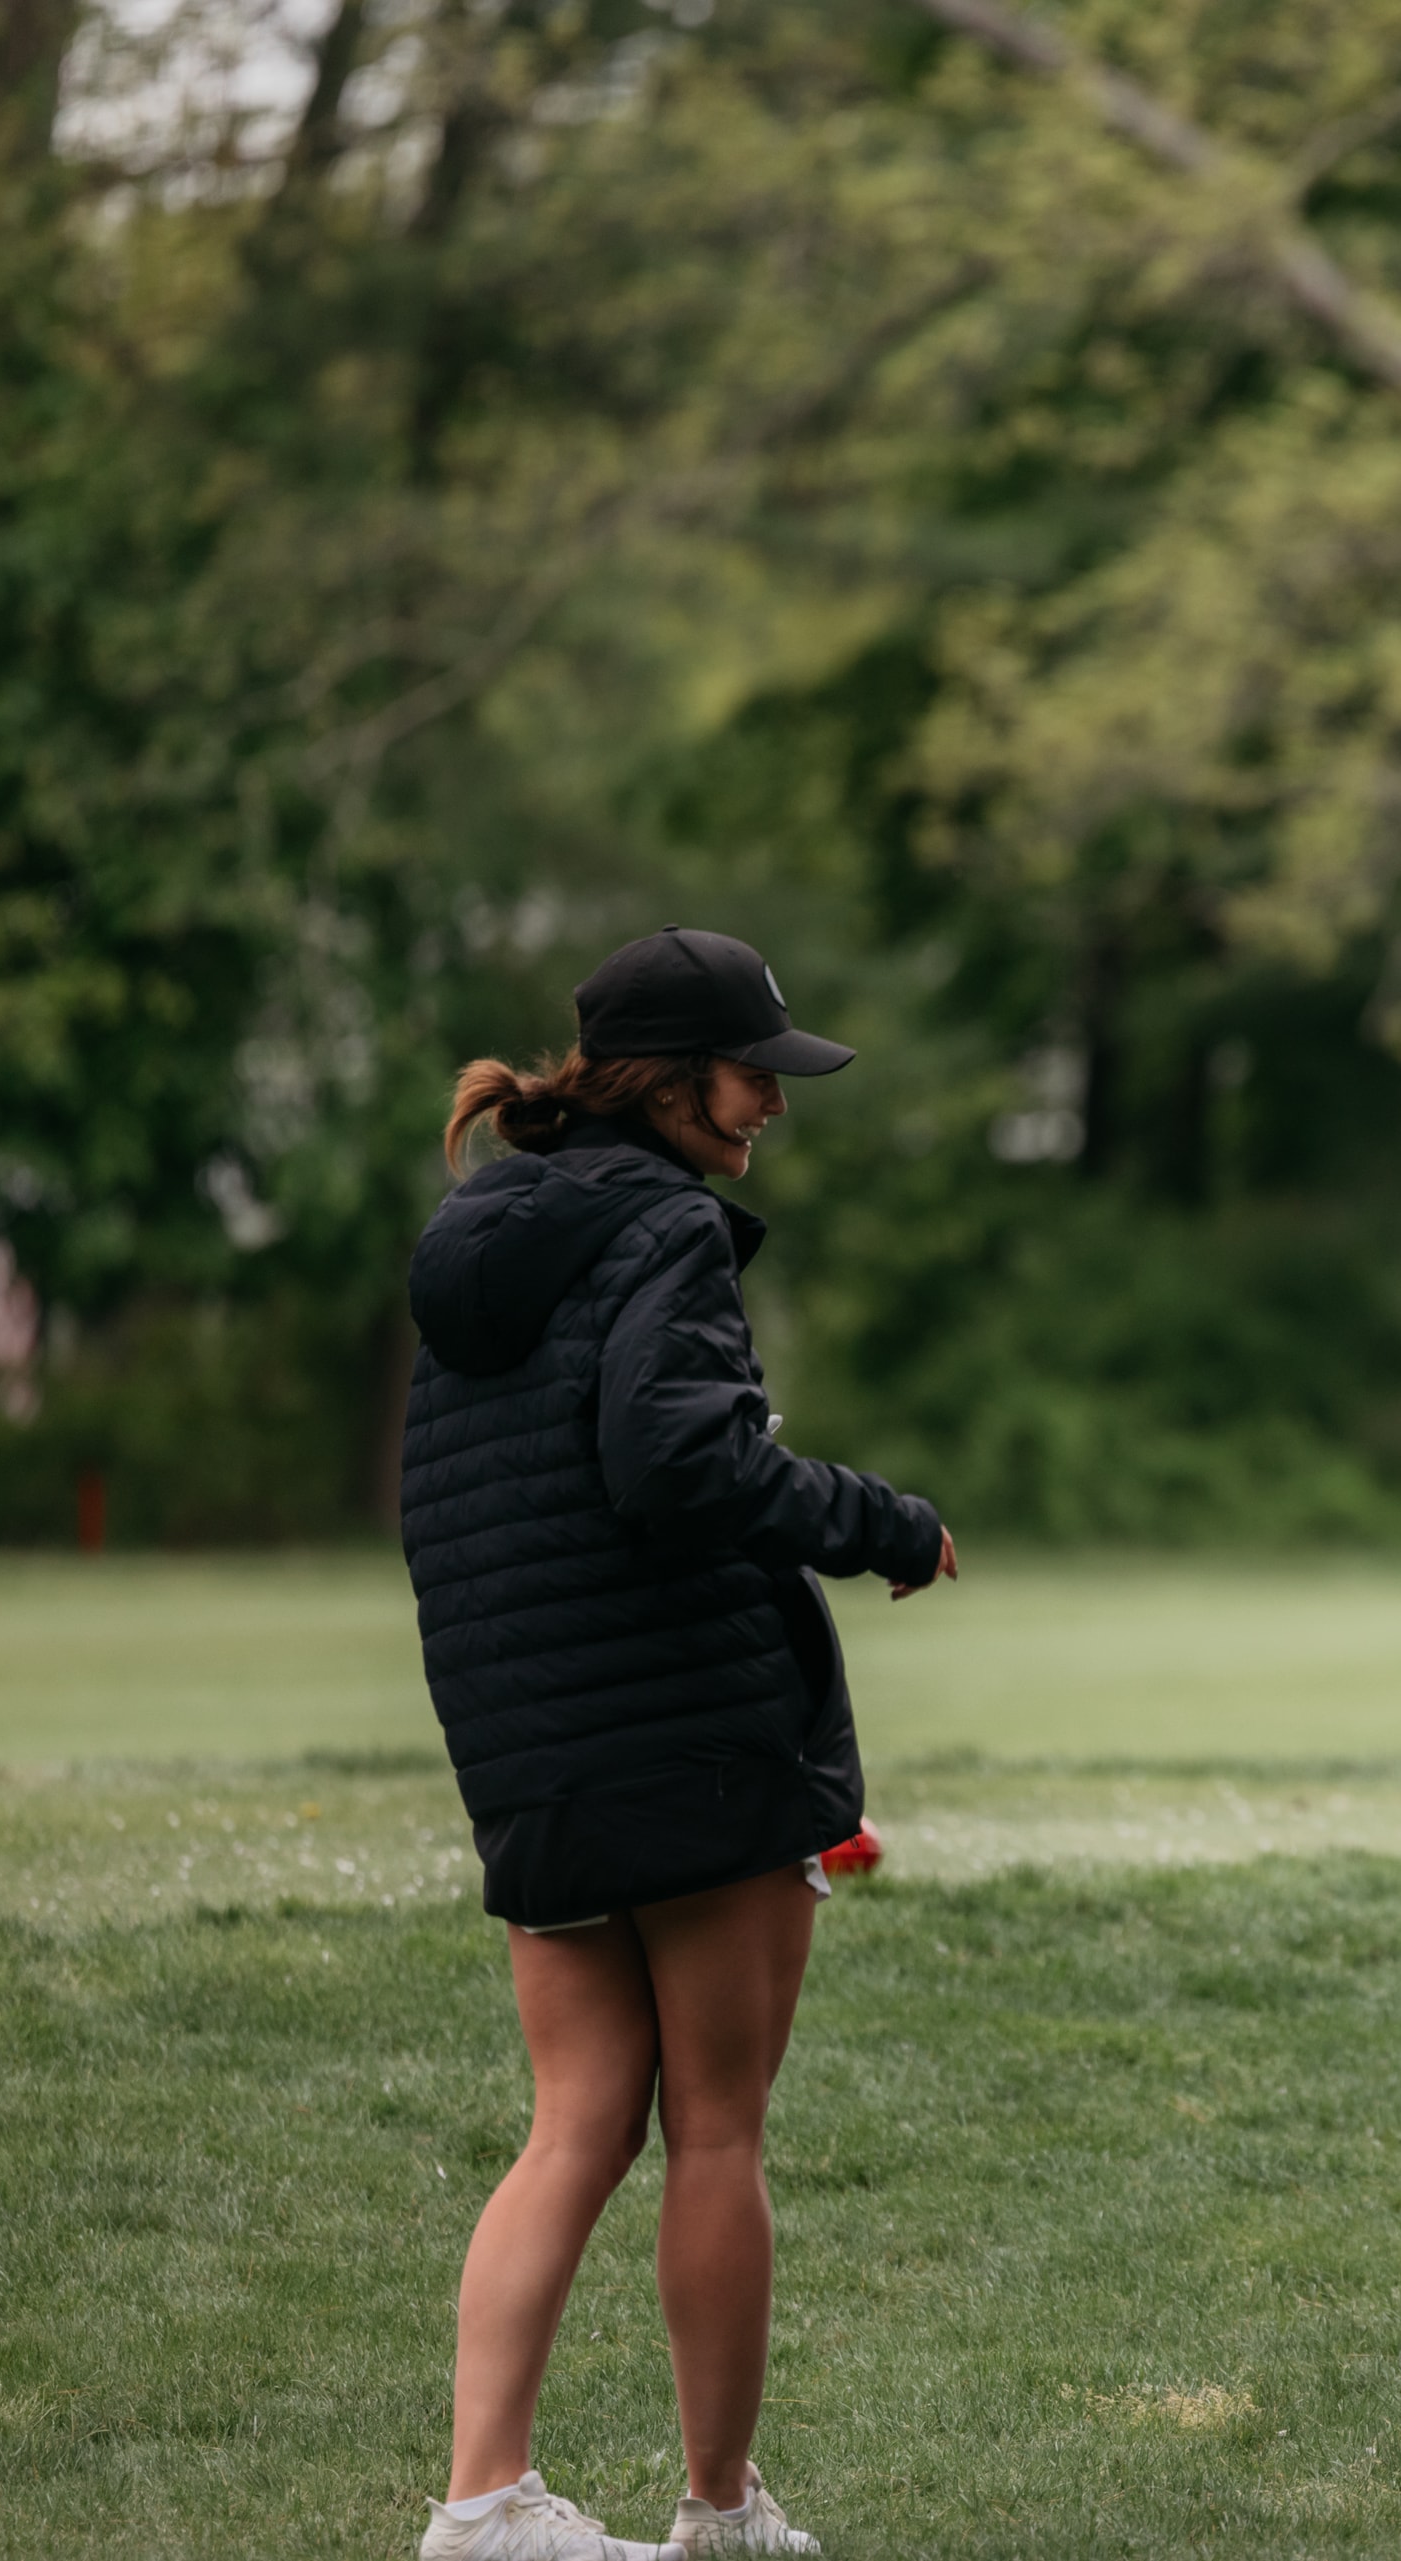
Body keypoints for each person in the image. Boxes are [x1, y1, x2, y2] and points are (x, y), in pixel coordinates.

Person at [399, 927, 956, 2561]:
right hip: (695, 1734)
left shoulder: (479, 1241)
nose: (770, 1107)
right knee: (717, 2127)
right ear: (671, 1077)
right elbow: (676, 1458)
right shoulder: (665, 1229)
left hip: (531, 1741)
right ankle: (720, 2515)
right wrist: (884, 1523)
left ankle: (482, 2502)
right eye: (752, 1075)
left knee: (576, 2119)